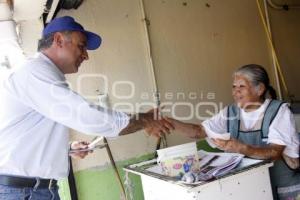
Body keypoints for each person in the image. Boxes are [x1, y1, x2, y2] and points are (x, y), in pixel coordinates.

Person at [0, 16, 174, 200]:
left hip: (37, 190)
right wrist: (146, 120)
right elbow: (88, 116)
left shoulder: (43, 77)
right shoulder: (34, 73)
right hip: (22, 193)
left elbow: (26, 135)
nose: (86, 55)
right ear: (58, 40)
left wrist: (67, 149)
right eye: (81, 46)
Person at [169, 64, 300, 200]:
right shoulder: (230, 112)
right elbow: (199, 132)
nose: (235, 92)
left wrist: (242, 148)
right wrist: (171, 123)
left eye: (241, 87)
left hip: (283, 188)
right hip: (253, 187)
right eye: (234, 87)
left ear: (260, 89)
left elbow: (275, 152)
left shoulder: (279, 111)